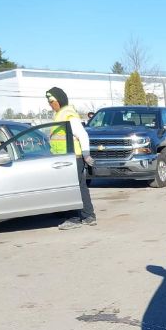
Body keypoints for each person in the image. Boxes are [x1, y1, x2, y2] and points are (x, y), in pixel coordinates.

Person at [45, 87, 96, 229]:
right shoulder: (61, 114)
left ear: (59, 100)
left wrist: (86, 155)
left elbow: (82, 134)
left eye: (52, 101)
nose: (50, 104)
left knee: (71, 188)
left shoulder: (67, 115)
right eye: (49, 102)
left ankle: (74, 218)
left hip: (73, 158)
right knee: (80, 186)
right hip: (67, 157)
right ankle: (88, 216)